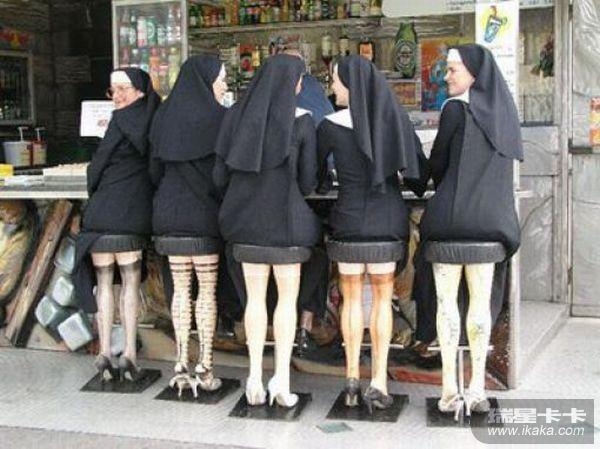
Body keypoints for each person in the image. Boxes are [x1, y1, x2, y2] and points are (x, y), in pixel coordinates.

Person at [414, 43, 522, 414]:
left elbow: (438, 167)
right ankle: (476, 390)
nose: (446, 77)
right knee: (479, 307)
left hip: (451, 222)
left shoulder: (455, 109)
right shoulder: (506, 111)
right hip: (494, 226)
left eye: (453, 70)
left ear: (474, 74)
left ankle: (448, 390)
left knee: (447, 304)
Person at [317, 55, 428, 412]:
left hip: (348, 223)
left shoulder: (329, 125)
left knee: (351, 299)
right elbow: (417, 176)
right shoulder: (396, 118)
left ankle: (351, 380)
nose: (332, 87)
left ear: (351, 84)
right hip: (387, 223)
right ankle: (379, 381)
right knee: (382, 300)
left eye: (335, 80)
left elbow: (316, 177)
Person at [213, 54, 321, 407]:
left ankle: (254, 378)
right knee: (287, 302)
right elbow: (308, 182)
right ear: (293, 83)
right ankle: (282, 380)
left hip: (246, 226)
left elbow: (219, 176)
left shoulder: (235, 116)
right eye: (300, 80)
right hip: (287, 227)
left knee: (255, 300)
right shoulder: (302, 121)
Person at [73, 68, 160, 381]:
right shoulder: (156, 118)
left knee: (104, 282)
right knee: (130, 284)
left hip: (102, 215)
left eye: (124, 89)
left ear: (140, 90)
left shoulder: (119, 121)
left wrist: (94, 189)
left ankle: (105, 351)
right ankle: (130, 354)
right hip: (133, 216)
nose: (118, 96)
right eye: (113, 90)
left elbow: (97, 167)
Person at [149, 55, 227, 395]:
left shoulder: (162, 116)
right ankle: (205, 368)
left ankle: (180, 364)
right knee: (206, 290)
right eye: (221, 80)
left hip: (169, 214)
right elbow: (223, 174)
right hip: (204, 217)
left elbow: (153, 170)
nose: (224, 86)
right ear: (206, 82)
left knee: (180, 289)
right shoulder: (220, 118)